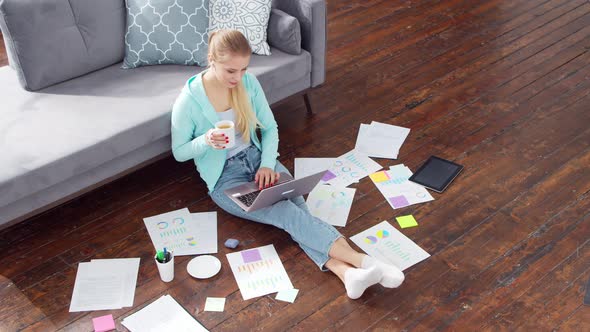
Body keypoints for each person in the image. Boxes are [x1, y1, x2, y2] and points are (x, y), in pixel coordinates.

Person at [171, 29, 404, 299]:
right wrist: (206, 140)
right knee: (288, 214)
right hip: (225, 179)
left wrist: (268, 164)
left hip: (259, 163)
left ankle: (348, 275)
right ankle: (367, 262)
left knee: (299, 213)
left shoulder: (247, 84)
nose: (238, 78)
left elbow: (270, 128)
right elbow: (179, 152)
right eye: (231, 71)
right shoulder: (188, 101)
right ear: (211, 59)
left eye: (244, 69)